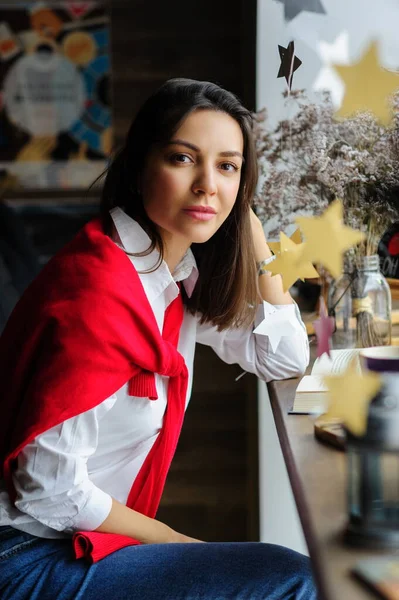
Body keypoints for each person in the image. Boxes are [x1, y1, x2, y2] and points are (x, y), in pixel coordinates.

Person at [0, 78, 316, 599]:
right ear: (140, 166)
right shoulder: (102, 291)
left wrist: (255, 237)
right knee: (295, 580)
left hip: (66, 539)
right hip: (24, 553)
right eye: (183, 158)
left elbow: (281, 357)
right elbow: (47, 486)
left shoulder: (170, 276)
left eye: (227, 167)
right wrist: (172, 540)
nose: (207, 185)